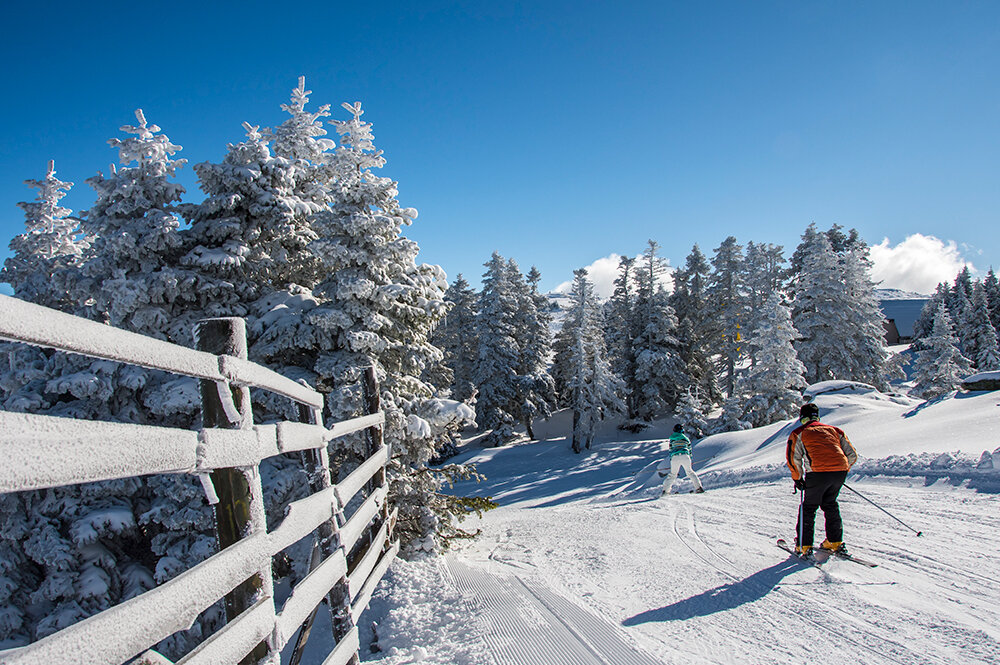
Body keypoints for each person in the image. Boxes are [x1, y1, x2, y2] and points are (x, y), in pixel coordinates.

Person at [786, 402, 857, 556]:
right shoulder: (835, 430)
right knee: (830, 503)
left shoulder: (799, 432)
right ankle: (834, 541)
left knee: (809, 507)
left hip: (817, 473)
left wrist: (798, 478)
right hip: (839, 472)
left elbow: (793, 458)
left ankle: (804, 545)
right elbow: (852, 455)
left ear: (803, 418)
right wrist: (840, 470)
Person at [658, 424, 704, 496]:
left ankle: (666, 491)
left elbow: (670, 450)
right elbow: (689, 449)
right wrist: (690, 458)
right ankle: (699, 488)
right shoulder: (686, 438)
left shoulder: (672, 439)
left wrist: (672, 459)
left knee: (673, 475)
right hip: (685, 456)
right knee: (690, 472)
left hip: (675, 457)